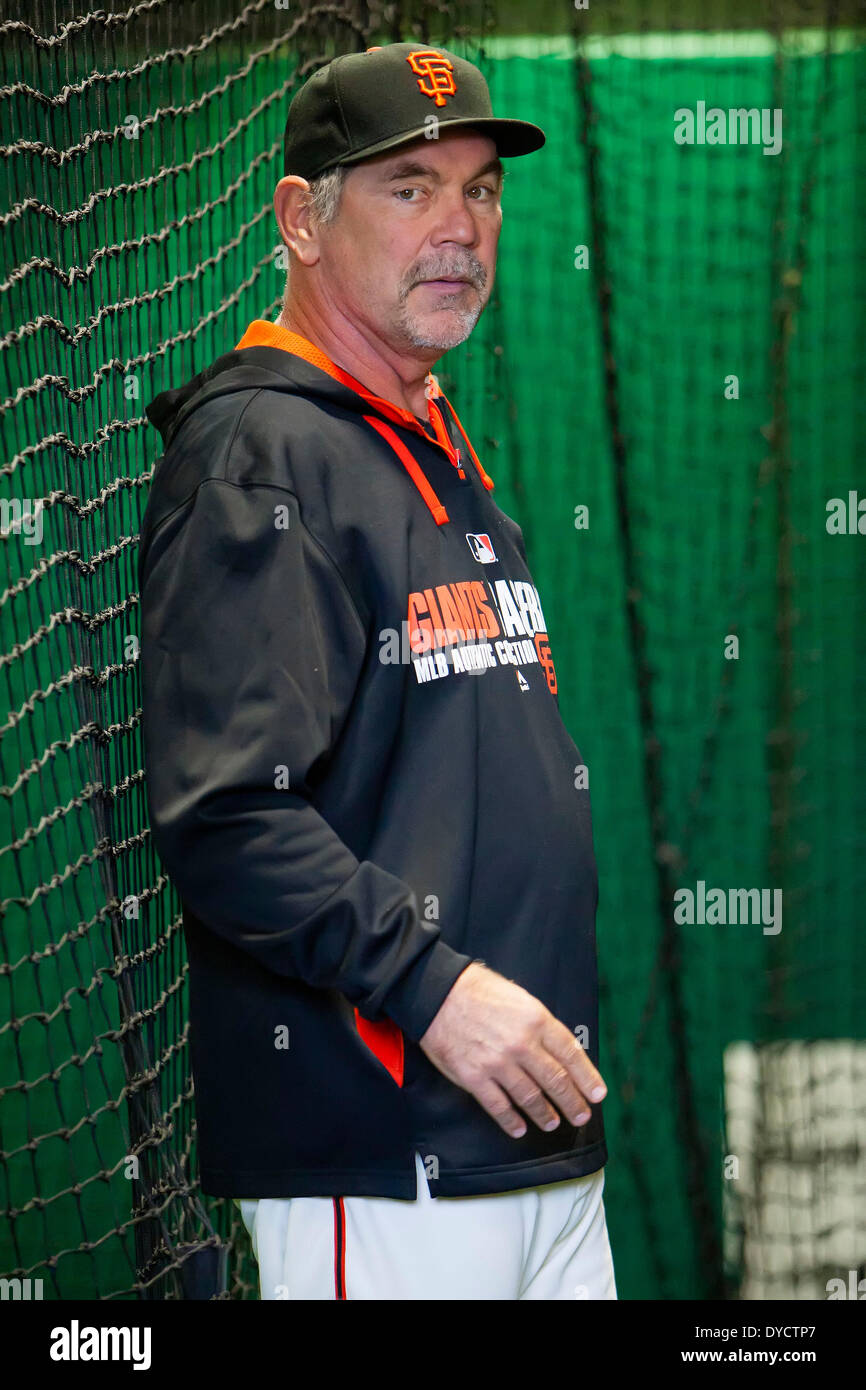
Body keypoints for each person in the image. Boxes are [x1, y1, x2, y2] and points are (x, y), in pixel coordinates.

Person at [138, 40, 616, 1300]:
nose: (458, 227)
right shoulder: (264, 452)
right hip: (388, 1160)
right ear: (302, 218)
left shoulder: (435, 442)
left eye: (480, 190)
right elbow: (227, 816)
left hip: (536, 1143)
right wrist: (438, 988)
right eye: (408, 187)